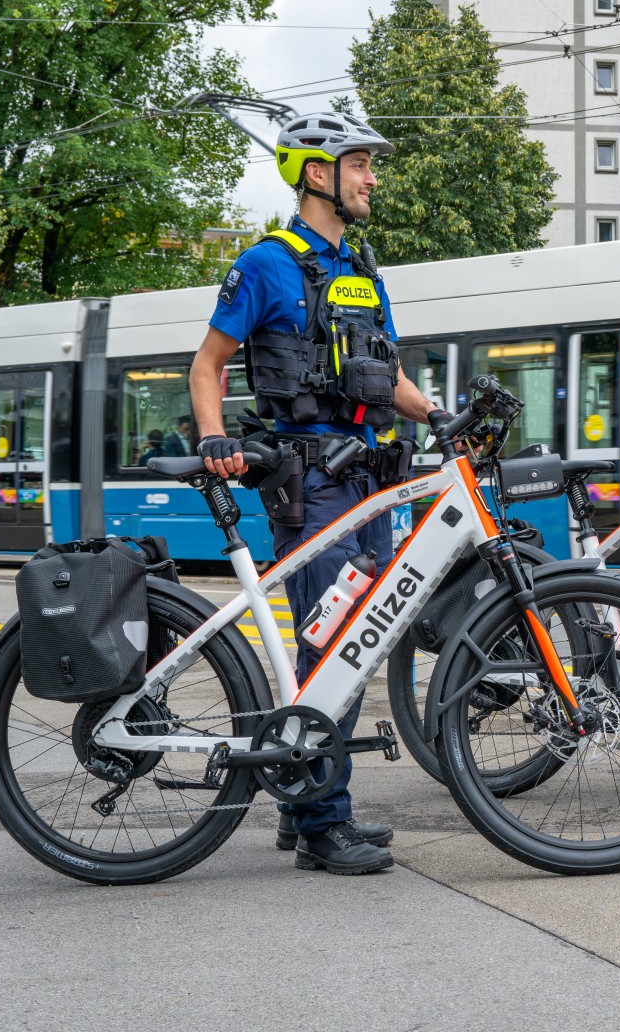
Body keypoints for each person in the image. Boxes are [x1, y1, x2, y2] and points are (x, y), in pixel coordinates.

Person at [190, 110, 452, 876]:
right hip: (310, 481)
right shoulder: (266, 264)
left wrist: (437, 413)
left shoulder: (364, 272)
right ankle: (320, 823)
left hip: (373, 477)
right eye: (362, 164)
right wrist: (214, 440)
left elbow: (387, 375)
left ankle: (302, 793)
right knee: (327, 638)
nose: (373, 178)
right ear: (316, 173)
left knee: (355, 642)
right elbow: (208, 363)